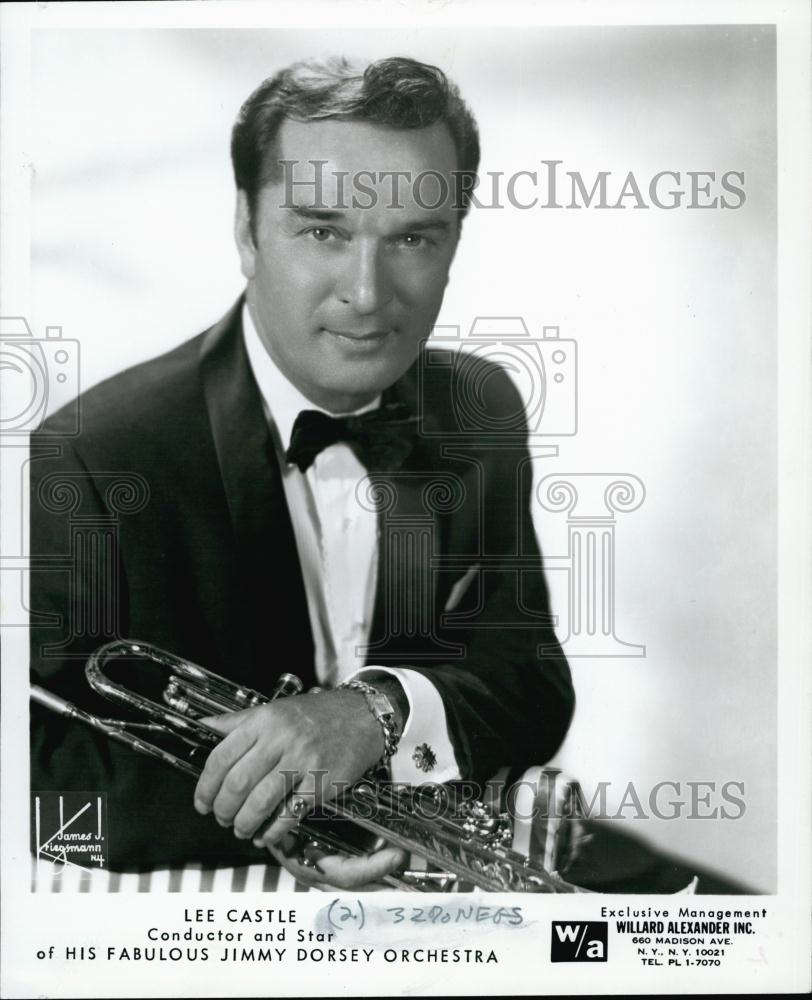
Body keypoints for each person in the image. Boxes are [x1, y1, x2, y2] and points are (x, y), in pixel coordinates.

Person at [29, 56, 574, 890]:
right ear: (247, 231)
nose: (367, 292)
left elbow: (531, 680)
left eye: (412, 239)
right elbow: (40, 792)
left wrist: (376, 712)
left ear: (456, 246)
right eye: (323, 231)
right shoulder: (97, 452)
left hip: (450, 875)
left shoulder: (479, 403)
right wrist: (301, 818)